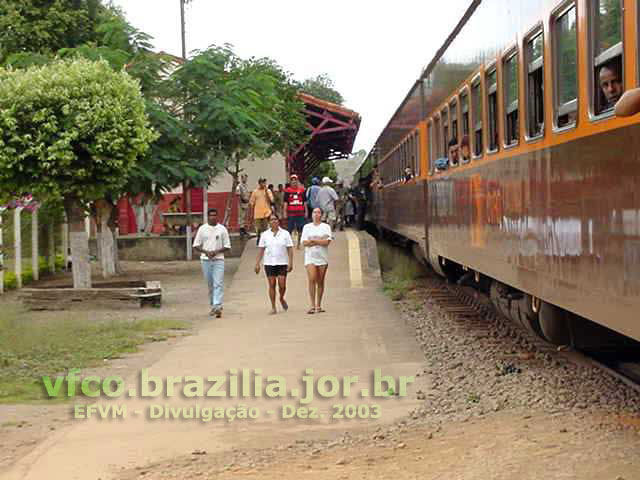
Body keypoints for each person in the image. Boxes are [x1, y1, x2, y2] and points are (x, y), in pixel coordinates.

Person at [193, 209, 231, 318]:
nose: (213, 217)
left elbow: (227, 246)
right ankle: (213, 305)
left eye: (215, 215)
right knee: (210, 284)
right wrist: (206, 252)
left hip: (219, 259)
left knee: (218, 283)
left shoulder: (222, 229)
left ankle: (217, 306)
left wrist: (216, 252)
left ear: (217, 216)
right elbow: (196, 245)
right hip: (205, 260)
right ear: (208, 217)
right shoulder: (202, 229)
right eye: (211, 215)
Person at [254, 213, 294, 315]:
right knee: (271, 284)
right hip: (269, 262)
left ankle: (281, 297)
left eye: (275, 219)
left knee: (282, 285)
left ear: (278, 221)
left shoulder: (285, 234)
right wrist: (257, 263)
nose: (274, 221)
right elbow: (261, 250)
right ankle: (273, 306)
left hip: (282, 262)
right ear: (269, 222)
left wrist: (290, 262)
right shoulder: (264, 235)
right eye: (271, 220)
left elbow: (290, 249)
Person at [301, 207, 333, 314]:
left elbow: (327, 242)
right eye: (314, 212)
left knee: (320, 280)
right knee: (312, 278)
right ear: (312, 214)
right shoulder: (307, 227)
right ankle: (312, 305)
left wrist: (313, 240)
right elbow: (304, 243)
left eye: (318, 212)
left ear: (321, 215)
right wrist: (320, 240)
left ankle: (319, 304)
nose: (316, 214)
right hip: (310, 257)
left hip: (322, 257)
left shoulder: (326, 227)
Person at [283, 174, 307, 249]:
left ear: (297, 181)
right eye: (292, 180)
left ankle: (298, 244)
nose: (294, 182)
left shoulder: (302, 191)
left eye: (295, 180)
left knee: (300, 229)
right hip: (291, 213)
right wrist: (284, 212)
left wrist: (306, 211)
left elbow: (305, 202)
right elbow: (285, 203)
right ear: (290, 182)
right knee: (289, 229)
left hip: (300, 213)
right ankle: (289, 244)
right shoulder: (287, 191)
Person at [249, 178, 273, 245]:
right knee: (258, 228)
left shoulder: (268, 191)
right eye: (262, 183)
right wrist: (251, 213)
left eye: (264, 183)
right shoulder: (255, 191)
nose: (263, 184)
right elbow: (251, 203)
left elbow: (271, 200)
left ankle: (265, 240)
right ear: (259, 183)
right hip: (257, 213)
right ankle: (259, 238)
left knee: (266, 228)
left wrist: (266, 192)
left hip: (266, 212)